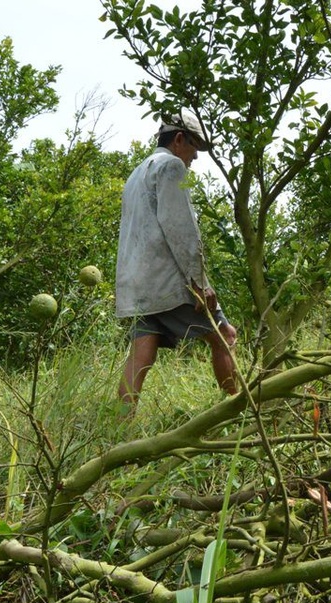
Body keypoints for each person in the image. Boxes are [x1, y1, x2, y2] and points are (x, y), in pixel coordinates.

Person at [115, 113, 238, 415]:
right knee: (225, 336)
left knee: (141, 354)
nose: (195, 157)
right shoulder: (171, 166)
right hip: (166, 283)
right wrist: (200, 283)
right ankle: (239, 415)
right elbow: (181, 229)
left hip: (136, 285)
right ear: (179, 138)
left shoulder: (137, 173)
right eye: (195, 147)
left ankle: (118, 428)